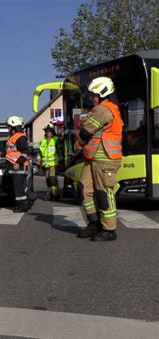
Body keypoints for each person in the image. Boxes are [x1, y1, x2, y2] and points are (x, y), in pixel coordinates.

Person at [76, 76, 123, 242]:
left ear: (103, 94)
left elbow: (86, 132)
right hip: (93, 158)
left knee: (104, 193)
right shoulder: (102, 108)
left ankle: (109, 229)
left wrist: (78, 144)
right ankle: (94, 223)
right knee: (83, 189)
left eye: (94, 94)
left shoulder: (103, 109)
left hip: (105, 159)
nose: (92, 97)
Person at [0, 115, 36, 212]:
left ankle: (23, 205)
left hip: (19, 167)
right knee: (18, 187)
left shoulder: (21, 138)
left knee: (18, 188)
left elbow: (25, 152)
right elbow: (11, 150)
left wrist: (18, 163)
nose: (8, 128)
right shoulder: (13, 137)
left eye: (9, 126)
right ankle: (27, 200)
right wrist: (1, 153)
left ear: (14, 127)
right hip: (13, 167)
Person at [37, 123, 61, 201]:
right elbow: (40, 152)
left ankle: (55, 194)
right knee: (48, 180)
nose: (48, 133)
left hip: (54, 163)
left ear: (52, 132)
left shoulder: (56, 139)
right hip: (45, 164)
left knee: (52, 179)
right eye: (47, 131)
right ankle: (51, 193)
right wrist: (38, 160)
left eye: (50, 131)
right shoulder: (43, 141)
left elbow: (60, 151)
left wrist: (61, 161)